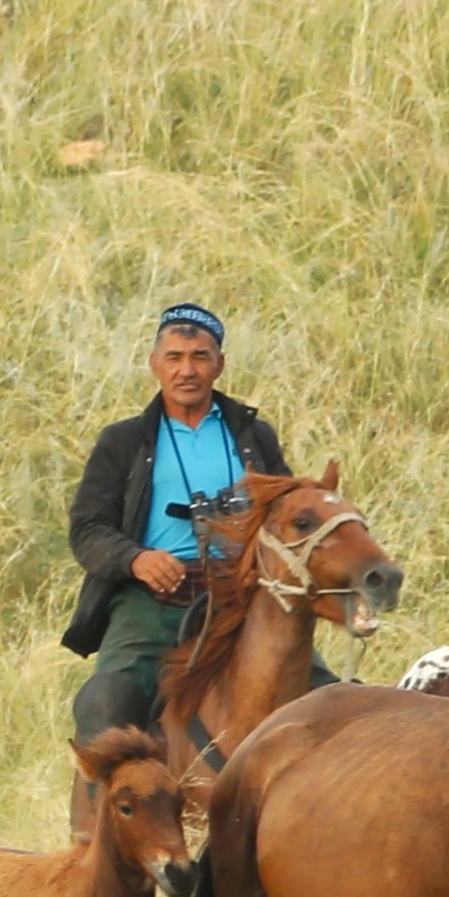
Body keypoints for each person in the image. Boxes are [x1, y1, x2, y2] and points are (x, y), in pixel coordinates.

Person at [61, 303, 291, 743]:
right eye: (175, 357)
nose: (187, 370)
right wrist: (136, 559)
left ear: (219, 365)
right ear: (154, 365)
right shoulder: (123, 441)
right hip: (152, 601)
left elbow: (285, 512)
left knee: (325, 695)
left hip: (242, 597)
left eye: (200, 357)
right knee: (108, 703)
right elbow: (88, 528)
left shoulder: (253, 435)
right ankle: (104, 810)